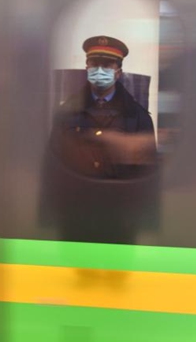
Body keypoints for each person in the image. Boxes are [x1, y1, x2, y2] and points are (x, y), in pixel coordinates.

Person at [40, 35, 159, 245]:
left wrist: (146, 222)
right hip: (74, 217)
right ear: (87, 67)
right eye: (94, 64)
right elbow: (52, 165)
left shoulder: (138, 117)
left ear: (118, 72)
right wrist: (48, 218)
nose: (100, 70)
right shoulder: (65, 113)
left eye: (107, 64)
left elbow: (148, 176)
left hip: (121, 221)